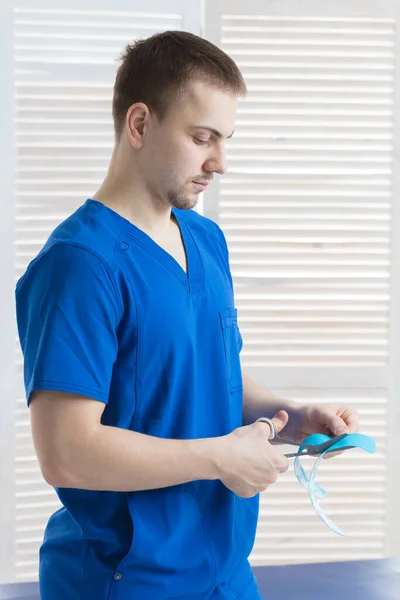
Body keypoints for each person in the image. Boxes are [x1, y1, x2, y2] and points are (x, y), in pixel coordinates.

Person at [15, 31, 359, 600]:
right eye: (202, 138)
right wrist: (221, 458)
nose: (219, 162)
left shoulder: (205, 239)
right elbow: (66, 453)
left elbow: (201, 369)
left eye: (225, 140)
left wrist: (289, 415)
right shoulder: (80, 264)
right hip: (126, 578)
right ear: (140, 124)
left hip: (224, 570)